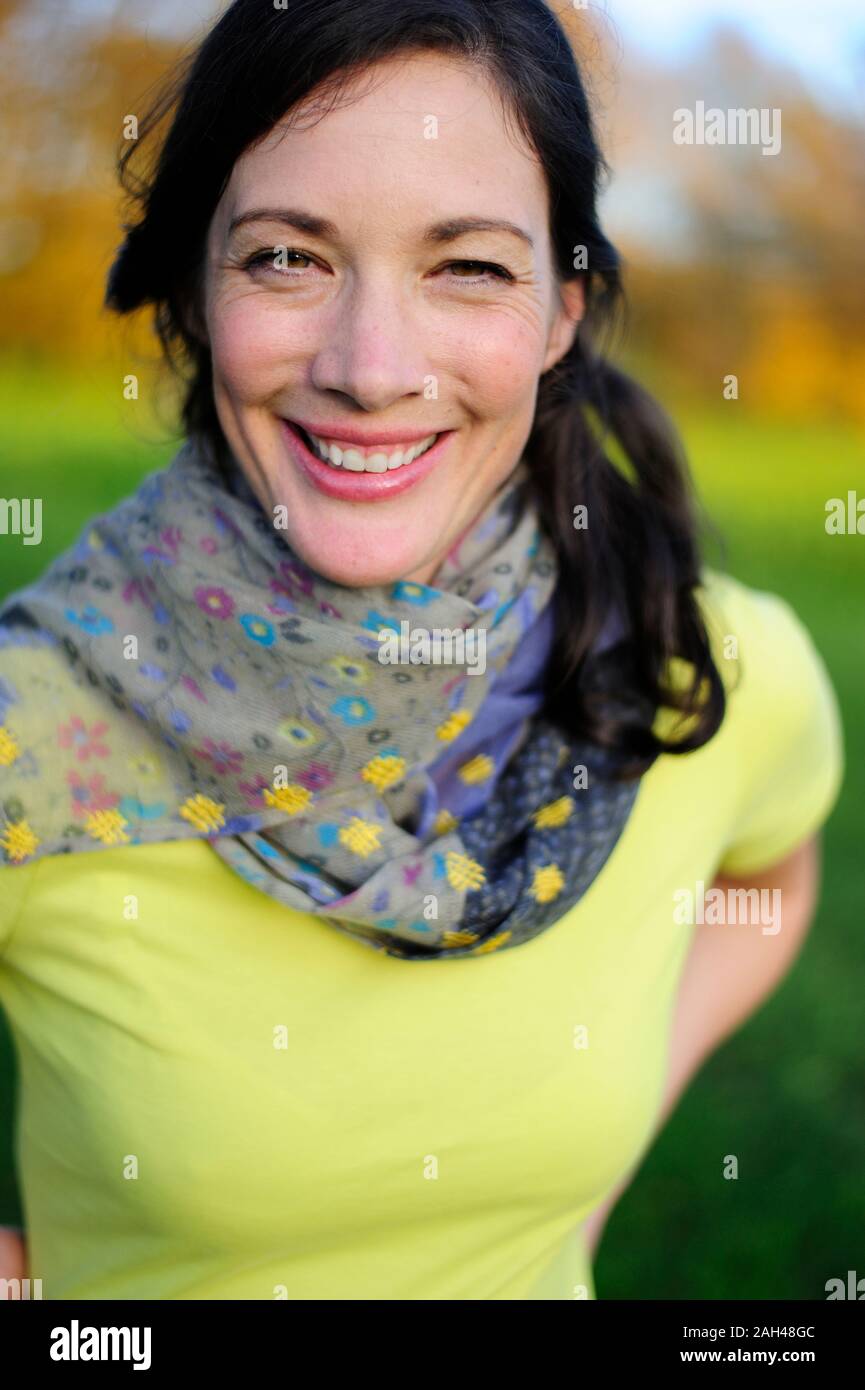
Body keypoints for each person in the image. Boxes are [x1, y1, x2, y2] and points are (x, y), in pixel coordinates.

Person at [0, 0, 843, 1300]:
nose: (370, 366)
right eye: (287, 257)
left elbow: (769, 885)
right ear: (196, 284)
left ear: (561, 310)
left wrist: (581, 1186)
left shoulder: (699, 670)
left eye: (467, 267)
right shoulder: (32, 721)